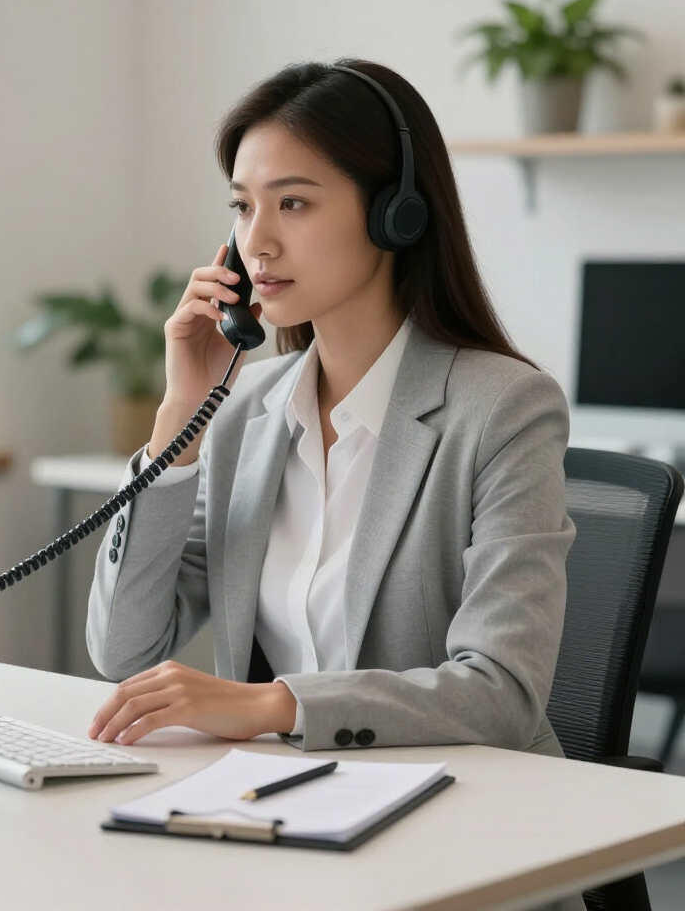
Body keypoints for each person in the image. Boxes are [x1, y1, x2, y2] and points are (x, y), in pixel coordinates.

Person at [85, 58, 576, 762]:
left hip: (460, 811)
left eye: (293, 203)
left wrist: (270, 705)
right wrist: (180, 416)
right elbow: (122, 647)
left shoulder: (503, 409)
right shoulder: (245, 412)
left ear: (394, 215)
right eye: (243, 206)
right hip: (283, 804)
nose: (256, 242)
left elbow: (502, 692)